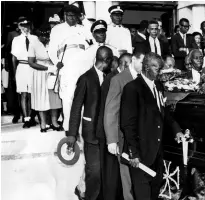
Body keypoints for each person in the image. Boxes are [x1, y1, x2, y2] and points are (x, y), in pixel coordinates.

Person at [120, 52, 183, 200]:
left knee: (154, 195)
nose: (159, 71)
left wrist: (177, 130)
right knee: (142, 196)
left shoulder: (159, 86)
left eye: (160, 68)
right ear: (146, 67)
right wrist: (133, 153)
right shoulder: (132, 88)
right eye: (156, 68)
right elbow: (127, 124)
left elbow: (164, 113)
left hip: (157, 154)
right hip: (139, 155)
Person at [67, 46, 114, 200]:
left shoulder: (110, 76)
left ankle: (87, 191)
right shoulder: (86, 78)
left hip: (107, 133)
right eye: (111, 60)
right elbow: (76, 108)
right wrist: (72, 135)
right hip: (91, 132)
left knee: (103, 171)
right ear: (106, 60)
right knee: (94, 171)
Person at [104, 51, 145, 200]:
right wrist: (111, 139)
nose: (144, 66)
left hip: (140, 136)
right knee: (127, 178)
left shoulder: (144, 78)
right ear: (133, 60)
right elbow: (110, 111)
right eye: (142, 62)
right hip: (123, 137)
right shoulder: (118, 80)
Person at [49, 4, 91, 137]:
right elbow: (51, 49)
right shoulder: (57, 29)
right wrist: (57, 62)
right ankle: (70, 129)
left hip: (83, 63)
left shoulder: (83, 28)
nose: (71, 18)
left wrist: (84, 19)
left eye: (74, 15)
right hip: (67, 64)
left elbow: (92, 34)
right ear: (65, 15)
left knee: (84, 96)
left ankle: (83, 130)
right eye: (69, 15)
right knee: (68, 98)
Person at [27, 25, 63, 132]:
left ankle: (54, 122)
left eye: (47, 35)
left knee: (54, 98)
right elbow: (31, 62)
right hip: (39, 73)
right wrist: (47, 68)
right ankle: (43, 124)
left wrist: (57, 65)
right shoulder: (33, 44)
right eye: (43, 35)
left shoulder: (53, 43)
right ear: (38, 36)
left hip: (52, 72)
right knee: (41, 99)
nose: (46, 37)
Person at [11, 17, 38, 128]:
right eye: (23, 26)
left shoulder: (35, 38)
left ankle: (31, 117)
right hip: (21, 66)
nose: (25, 28)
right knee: (23, 94)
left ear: (30, 26)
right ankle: (26, 119)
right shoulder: (16, 40)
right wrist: (14, 73)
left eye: (27, 25)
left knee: (32, 93)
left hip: (33, 67)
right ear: (19, 27)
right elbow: (13, 58)